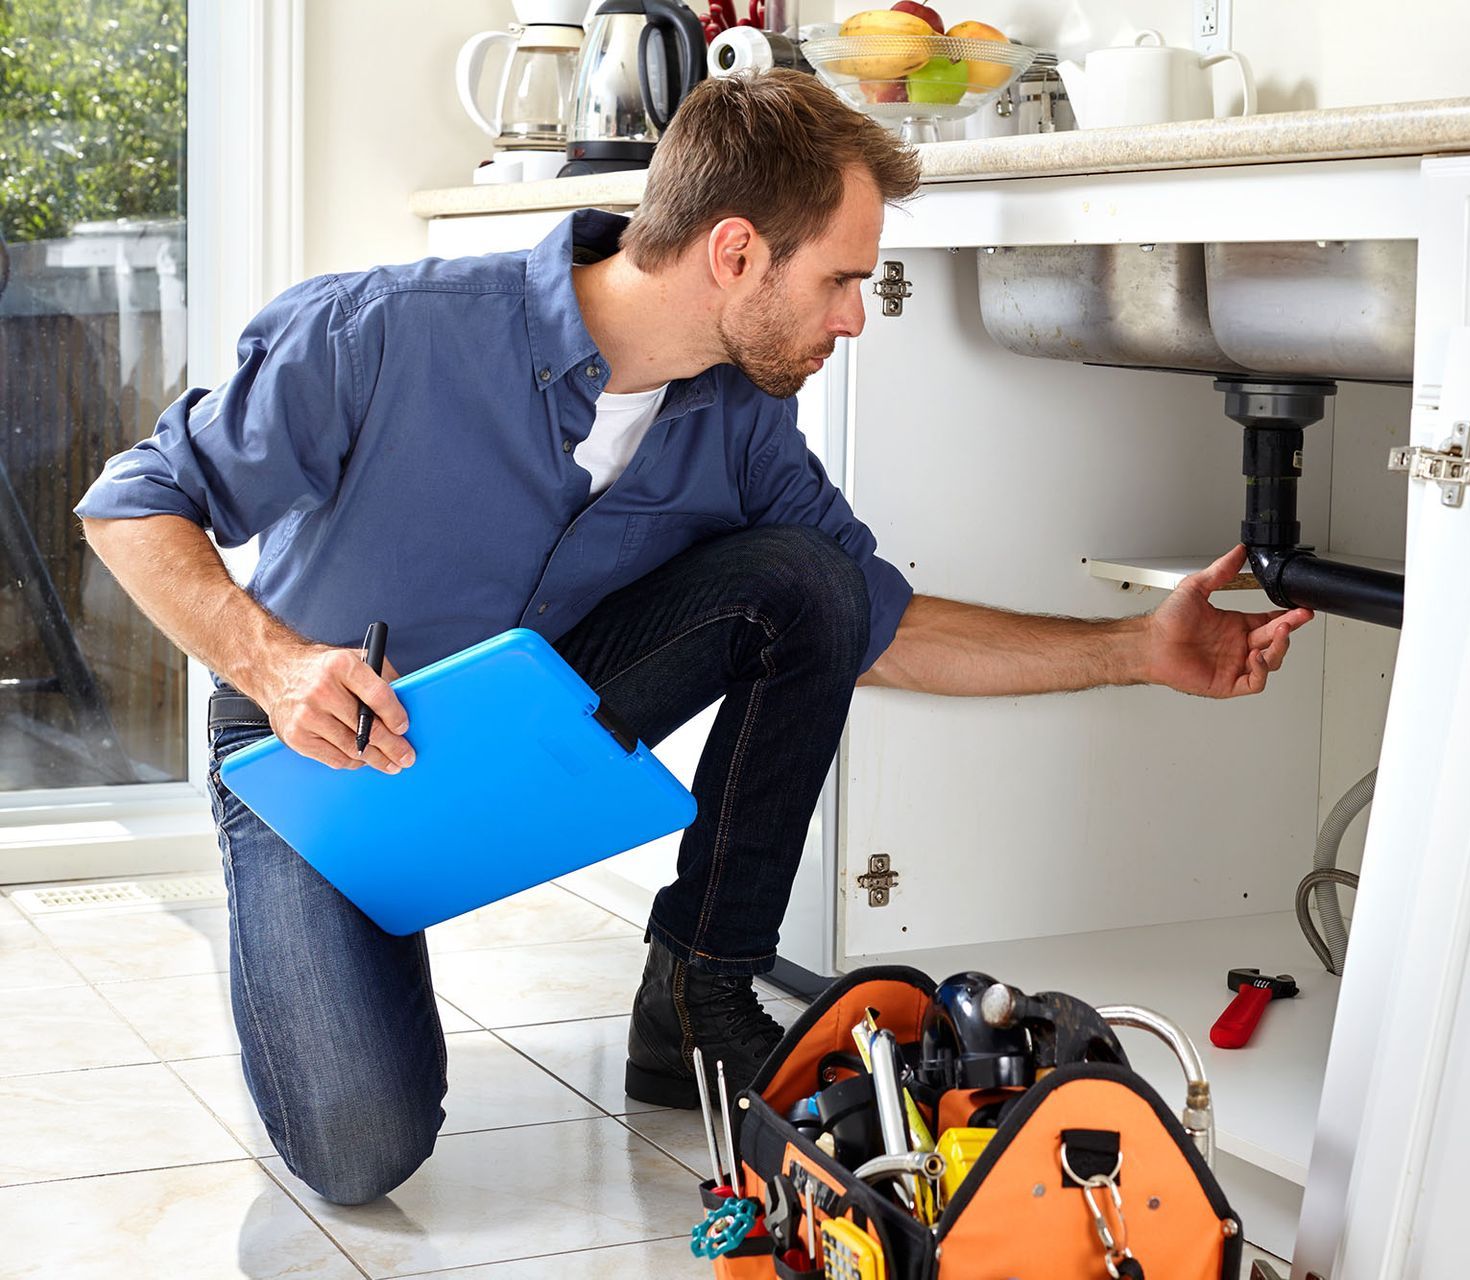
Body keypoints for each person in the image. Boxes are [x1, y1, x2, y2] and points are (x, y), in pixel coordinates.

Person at [74, 70, 1313, 1205]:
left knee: (809, 579)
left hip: (525, 717)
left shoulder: (742, 428)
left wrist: (1136, 648)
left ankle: (696, 995)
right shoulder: (379, 331)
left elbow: (875, 626)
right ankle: (350, 908)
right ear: (735, 252)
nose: (854, 319)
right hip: (325, 748)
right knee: (360, 1150)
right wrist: (278, 665)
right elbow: (130, 503)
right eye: (840, 279)